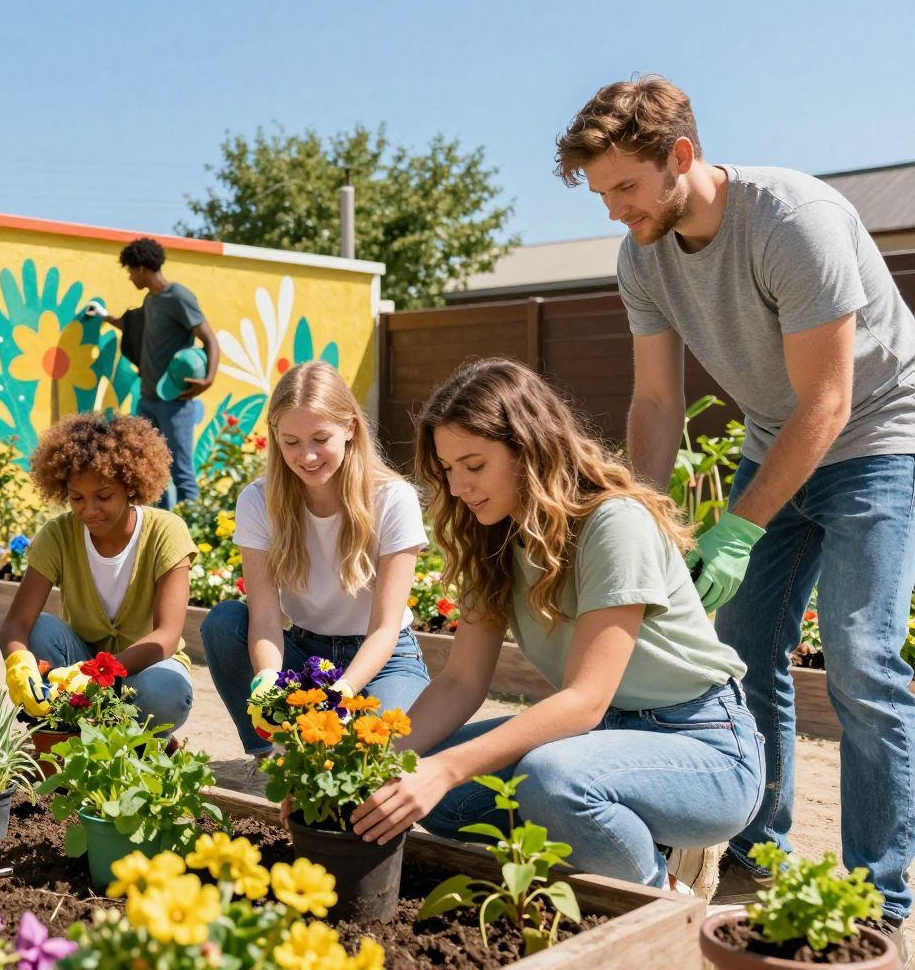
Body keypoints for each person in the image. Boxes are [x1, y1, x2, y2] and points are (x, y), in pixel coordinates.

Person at [556, 75, 915, 934]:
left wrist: (740, 525)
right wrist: (639, 511)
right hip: (774, 438)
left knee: (863, 658)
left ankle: (879, 896)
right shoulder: (641, 254)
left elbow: (827, 401)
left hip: (879, 436)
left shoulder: (794, 220)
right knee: (742, 651)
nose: (615, 211)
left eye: (627, 188)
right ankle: (760, 854)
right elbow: (654, 404)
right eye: (602, 193)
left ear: (681, 156)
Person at [347, 359, 763, 896]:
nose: (458, 487)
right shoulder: (490, 534)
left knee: (551, 780)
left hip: (702, 746)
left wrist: (445, 769)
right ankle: (614, 836)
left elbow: (586, 700)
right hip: (599, 739)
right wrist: (368, 764)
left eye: (474, 464)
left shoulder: (613, 523)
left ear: (529, 450)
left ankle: (664, 904)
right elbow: (460, 682)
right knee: (427, 787)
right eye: (448, 469)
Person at [201, 361, 432, 768]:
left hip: (384, 658)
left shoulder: (393, 499)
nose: (306, 456)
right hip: (305, 653)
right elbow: (266, 618)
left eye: (320, 438)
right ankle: (268, 757)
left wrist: (339, 696)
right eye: (290, 441)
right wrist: (269, 681)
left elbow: (384, 629)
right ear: (274, 436)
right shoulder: (259, 500)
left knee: (366, 759)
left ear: (350, 428)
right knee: (224, 623)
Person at [0, 413, 197, 736]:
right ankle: (67, 734)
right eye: (76, 498)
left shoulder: (166, 532)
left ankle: (145, 740)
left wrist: (98, 673)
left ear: (130, 486)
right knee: (39, 629)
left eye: (103, 496)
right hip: (76, 668)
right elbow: (17, 623)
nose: (89, 510)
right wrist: (18, 661)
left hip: (146, 669)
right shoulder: (58, 535)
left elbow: (167, 636)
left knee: (165, 692)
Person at [103, 237, 220, 508]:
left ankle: (195, 530)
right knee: (150, 470)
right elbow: (134, 328)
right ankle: (159, 527)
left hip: (174, 402)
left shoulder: (178, 296)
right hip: (148, 399)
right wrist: (105, 318)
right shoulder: (151, 300)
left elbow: (210, 339)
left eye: (131, 271)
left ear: (142, 268)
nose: (130, 277)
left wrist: (208, 379)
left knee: (181, 470)